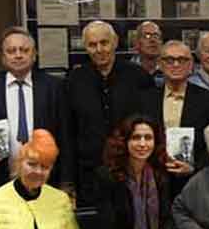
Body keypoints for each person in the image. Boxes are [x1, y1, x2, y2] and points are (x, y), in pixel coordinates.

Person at [0, 26, 70, 195]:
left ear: (34, 54)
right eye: (11, 51)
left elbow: (65, 136)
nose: (18, 55)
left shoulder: (54, 87)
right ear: (3, 57)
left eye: (24, 50)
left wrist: (67, 182)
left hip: (46, 180)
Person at [86, 115, 180, 229]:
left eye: (148, 138)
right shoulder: (106, 176)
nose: (143, 144)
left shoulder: (160, 174)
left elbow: (166, 217)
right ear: (124, 142)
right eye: (136, 138)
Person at [66, 20, 153, 207]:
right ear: (85, 48)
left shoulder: (139, 77)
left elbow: (150, 125)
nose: (99, 50)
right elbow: (68, 131)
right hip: (88, 174)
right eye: (92, 45)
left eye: (104, 43)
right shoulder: (74, 80)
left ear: (115, 42)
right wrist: (68, 180)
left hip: (131, 170)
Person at [140, 40, 209, 187]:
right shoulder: (145, 99)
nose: (176, 65)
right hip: (153, 179)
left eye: (182, 60)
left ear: (191, 65)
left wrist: (195, 168)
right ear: (160, 64)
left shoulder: (207, 99)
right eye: (169, 60)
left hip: (195, 180)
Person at [129, 21, 164, 88]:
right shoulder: (126, 72)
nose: (153, 40)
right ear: (137, 43)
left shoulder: (170, 70)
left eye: (156, 36)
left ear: (161, 43)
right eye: (147, 36)